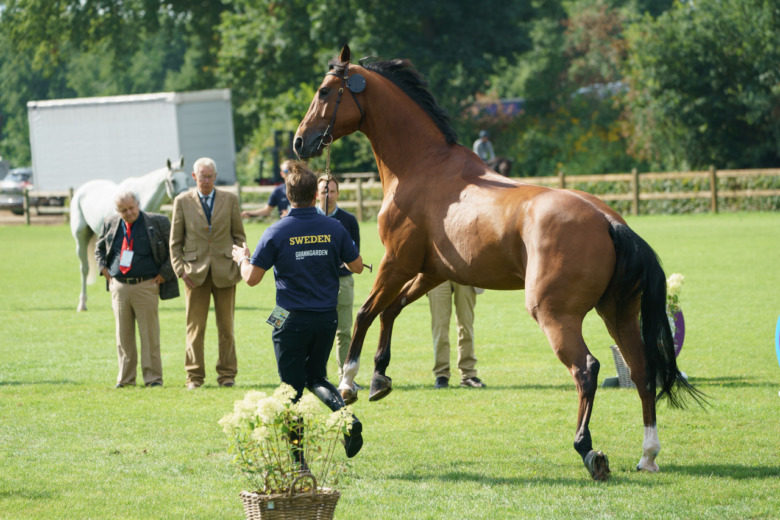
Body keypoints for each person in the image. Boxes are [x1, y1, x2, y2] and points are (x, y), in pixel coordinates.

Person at [231, 160, 365, 458]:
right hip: (325, 317)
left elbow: (252, 279)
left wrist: (242, 257)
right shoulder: (334, 227)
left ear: (287, 196)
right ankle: (348, 420)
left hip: (289, 318)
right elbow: (356, 266)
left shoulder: (276, 231)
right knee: (317, 376)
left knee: (290, 389)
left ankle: (298, 462)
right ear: (315, 196)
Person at [170, 157, 246, 389]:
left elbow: (239, 236)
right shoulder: (182, 201)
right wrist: (180, 270)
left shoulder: (230, 199)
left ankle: (227, 376)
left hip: (226, 272)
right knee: (195, 328)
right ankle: (194, 377)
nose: (206, 180)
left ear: (215, 176)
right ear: (194, 177)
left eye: (210, 176)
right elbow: (175, 242)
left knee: (227, 328)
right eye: (202, 176)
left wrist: (241, 261)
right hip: (194, 275)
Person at [95, 190, 179, 388]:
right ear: (117, 210)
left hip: (146, 285)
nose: (128, 213)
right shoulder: (110, 223)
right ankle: (125, 379)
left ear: (138, 204)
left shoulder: (157, 222)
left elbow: (173, 250)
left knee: (149, 335)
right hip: (119, 287)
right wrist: (104, 271)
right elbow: (99, 248)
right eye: (123, 210)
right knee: (123, 336)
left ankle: (153, 379)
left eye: (131, 208)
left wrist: (163, 275)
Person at [315, 174, 361, 384]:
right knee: (317, 331)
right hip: (314, 283)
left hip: (343, 282)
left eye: (332, 191)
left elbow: (355, 254)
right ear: (317, 194)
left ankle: (345, 378)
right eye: (325, 191)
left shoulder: (349, 220)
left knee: (343, 331)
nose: (329, 196)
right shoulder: (307, 219)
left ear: (338, 194)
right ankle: (317, 376)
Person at [427, 281, 486, 389]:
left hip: (465, 272)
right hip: (437, 273)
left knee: (466, 327)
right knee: (439, 328)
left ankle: (468, 375)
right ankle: (441, 375)